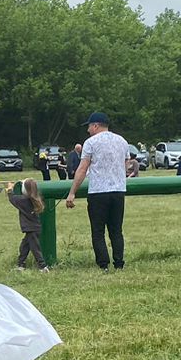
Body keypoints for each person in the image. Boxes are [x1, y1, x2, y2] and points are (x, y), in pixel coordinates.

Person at [63, 112, 138, 271]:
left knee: (98, 231)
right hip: (118, 191)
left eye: (89, 126)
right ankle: (119, 263)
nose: (88, 130)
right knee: (116, 230)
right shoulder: (122, 141)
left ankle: (103, 265)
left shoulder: (90, 143)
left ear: (96, 125)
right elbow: (126, 163)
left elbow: (82, 169)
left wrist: (72, 192)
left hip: (98, 191)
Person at [12, 177, 47, 271]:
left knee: (35, 249)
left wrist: (10, 190)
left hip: (31, 229)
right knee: (24, 247)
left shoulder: (24, 201)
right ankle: (21, 264)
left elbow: (12, 199)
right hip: (34, 228)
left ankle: (43, 266)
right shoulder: (35, 199)